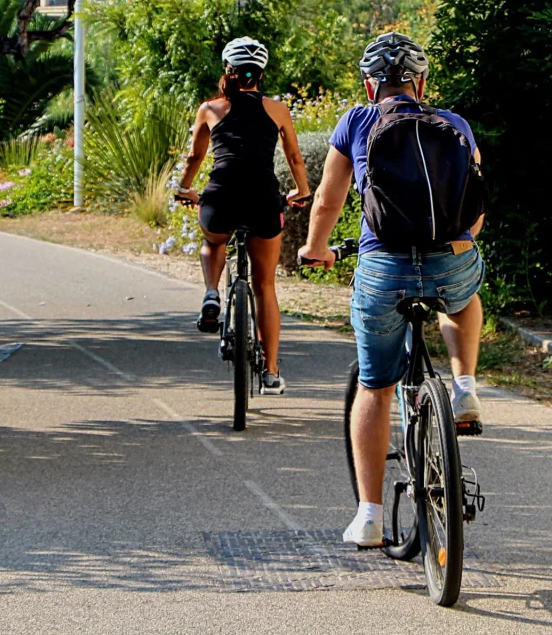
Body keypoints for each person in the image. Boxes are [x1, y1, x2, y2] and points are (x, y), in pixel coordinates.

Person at [298, 32, 485, 547]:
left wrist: (316, 247)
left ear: (368, 83)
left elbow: (327, 203)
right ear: (421, 83)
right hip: (452, 260)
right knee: (465, 297)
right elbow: (477, 202)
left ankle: (371, 517)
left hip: (383, 269)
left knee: (376, 386)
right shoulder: (455, 124)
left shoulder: (356, 121)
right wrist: (457, 244)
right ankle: (465, 387)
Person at [175, 37, 310, 394]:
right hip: (264, 198)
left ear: (227, 70)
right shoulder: (277, 109)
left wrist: (184, 188)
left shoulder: (210, 108)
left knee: (212, 240)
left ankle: (210, 294)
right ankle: (270, 372)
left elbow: (195, 158)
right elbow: (295, 158)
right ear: (260, 74)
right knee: (265, 285)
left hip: (221, 195)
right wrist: (302, 191)